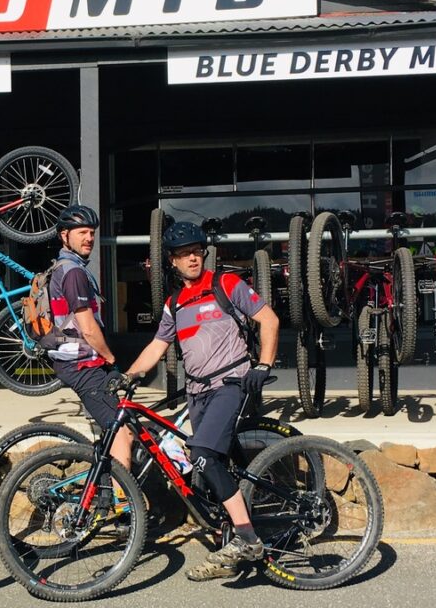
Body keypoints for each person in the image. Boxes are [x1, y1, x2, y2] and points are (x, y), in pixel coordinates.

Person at [125, 220, 279, 582]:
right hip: (197, 392)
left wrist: (264, 364)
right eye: (183, 254)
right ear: (173, 263)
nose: (192, 258)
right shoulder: (174, 303)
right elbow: (157, 347)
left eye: (196, 251)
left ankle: (247, 538)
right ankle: (230, 528)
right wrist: (128, 376)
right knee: (206, 465)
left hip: (230, 383)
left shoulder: (227, 284)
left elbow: (268, 320)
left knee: (204, 456)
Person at [46, 204, 133, 470]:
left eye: (92, 233)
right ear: (64, 236)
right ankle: (123, 504)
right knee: (122, 433)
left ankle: (106, 489)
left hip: (78, 362)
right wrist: (111, 360)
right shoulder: (73, 272)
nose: (89, 239)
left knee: (113, 429)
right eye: (82, 232)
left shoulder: (67, 267)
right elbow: (88, 329)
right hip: (83, 365)